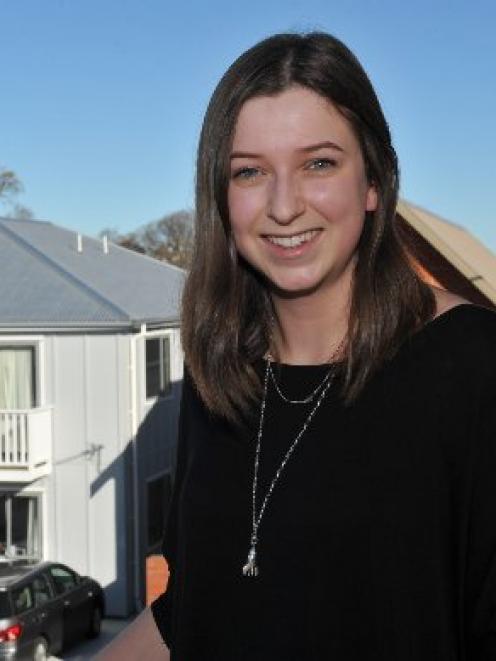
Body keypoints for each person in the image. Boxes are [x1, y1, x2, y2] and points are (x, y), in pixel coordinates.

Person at [98, 32, 496, 660]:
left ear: (374, 183)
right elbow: (193, 610)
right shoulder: (216, 375)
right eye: (250, 172)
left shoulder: (475, 368)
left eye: (318, 163)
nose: (283, 206)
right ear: (222, 200)